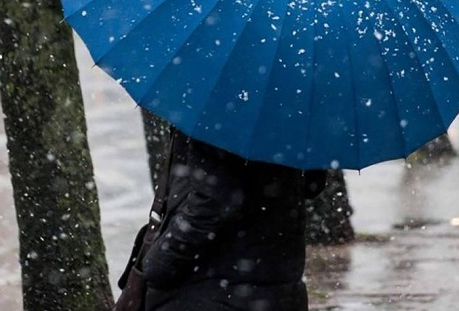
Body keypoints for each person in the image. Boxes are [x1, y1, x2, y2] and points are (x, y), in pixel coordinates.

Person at [139, 127, 328, 311]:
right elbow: (313, 183)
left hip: (212, 285)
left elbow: (211, 205)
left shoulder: (219, 111)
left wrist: (159, 264)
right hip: (277, 279)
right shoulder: (297, 111)